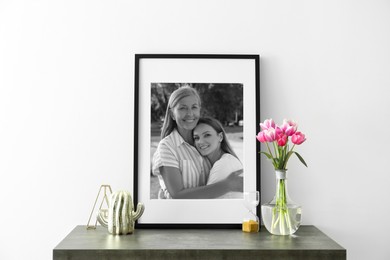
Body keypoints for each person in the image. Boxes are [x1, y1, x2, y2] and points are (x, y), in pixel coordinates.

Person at [152, 86, 243, 199]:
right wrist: (227, 185)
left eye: (194, 107)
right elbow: (177, 194)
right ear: (172, 114)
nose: (190, 113)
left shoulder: (203, 144)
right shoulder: (167, 147)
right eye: (183, 108)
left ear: (199, 109)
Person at [193, 117, 243, 199]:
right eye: (196, 138)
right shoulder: (225, 160)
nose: (200, 142)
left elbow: (204, 206)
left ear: (220, 137)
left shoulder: (223, 165)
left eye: (207, 135)